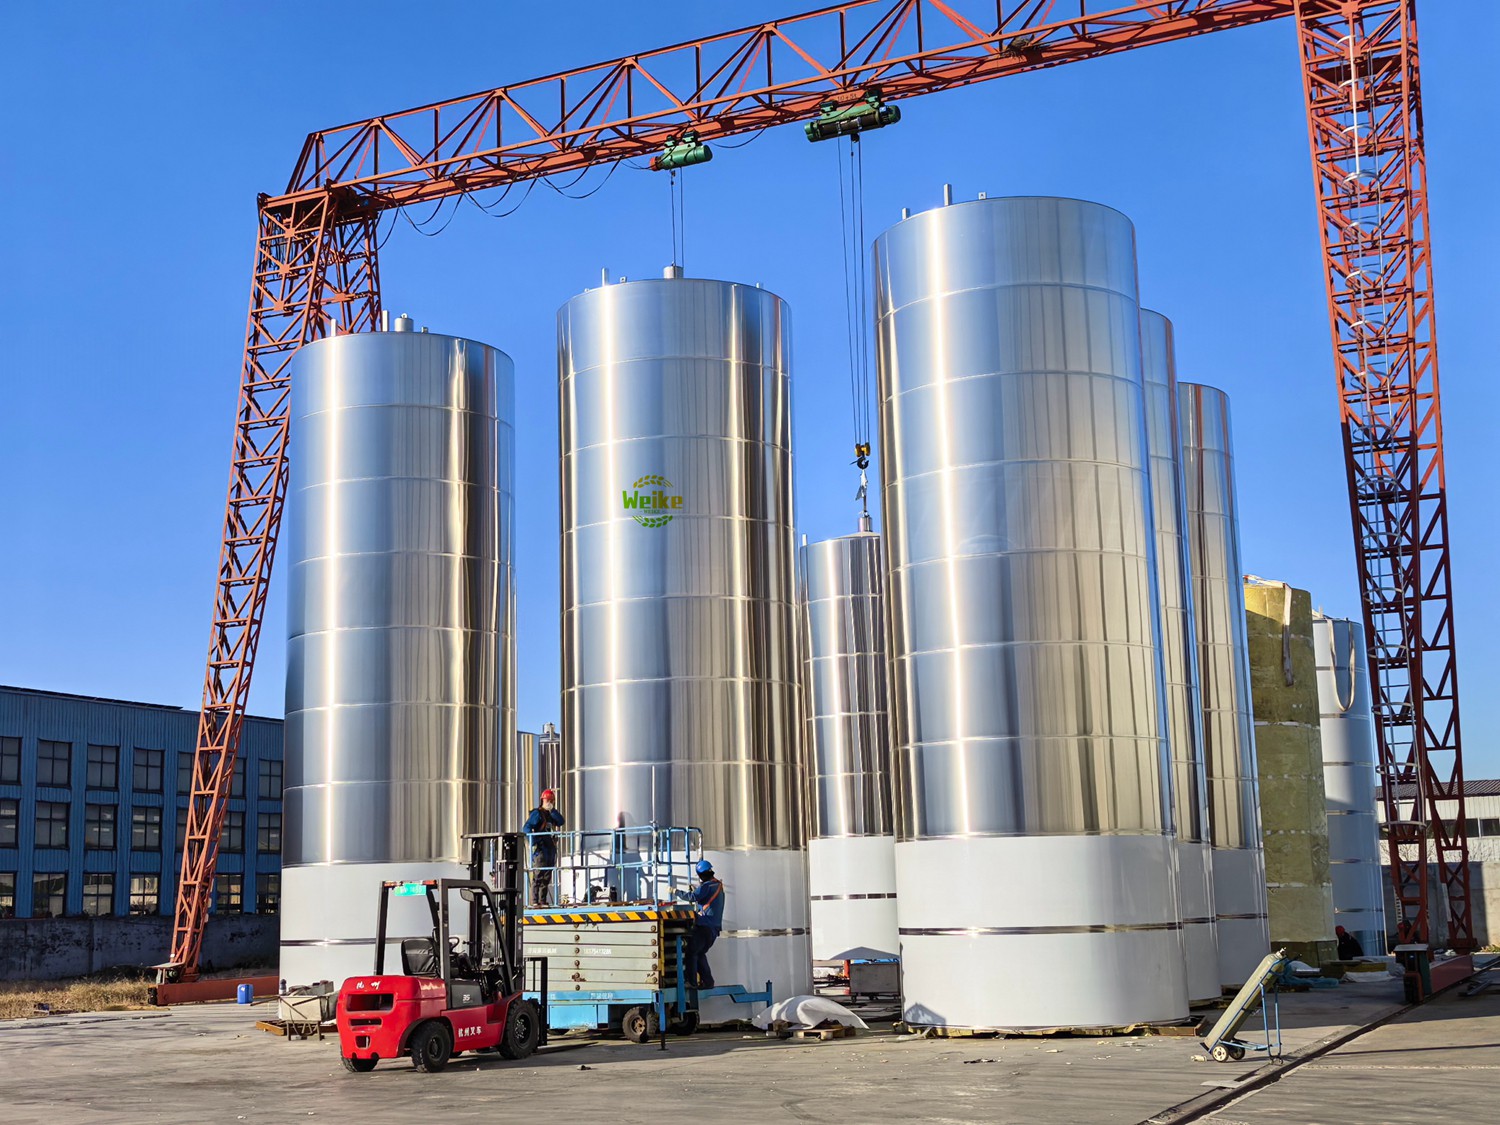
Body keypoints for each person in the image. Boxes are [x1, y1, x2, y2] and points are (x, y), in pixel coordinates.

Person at [687, 859, 725, 989]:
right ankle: (708, 982)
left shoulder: (707, 886)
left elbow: (692, 897)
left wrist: (675, 892)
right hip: (713, 930)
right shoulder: (718, 885)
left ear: (700, 874)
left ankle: (691, 982)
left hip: (704, 927)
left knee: (691, 951)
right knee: (700, 952)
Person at [524, 789, 565, 907]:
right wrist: (533, 841)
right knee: (538, 874)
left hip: (550, 848)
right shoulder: (537, 813)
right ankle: (535, 900)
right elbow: (527, 827)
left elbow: (561, 821)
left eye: (551, 800)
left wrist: (553, 811)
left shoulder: (552, 815)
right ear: (543, 800)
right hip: (541, 848)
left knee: (547, 875)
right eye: (548, 800)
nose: (549, 802)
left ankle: (542, 900)